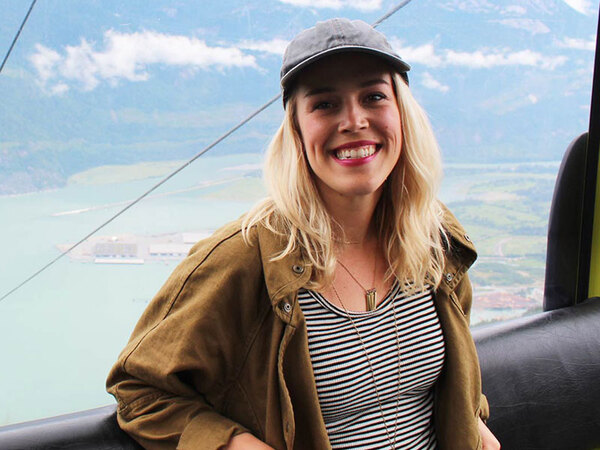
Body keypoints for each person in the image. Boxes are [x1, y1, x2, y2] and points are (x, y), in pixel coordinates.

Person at [107, 18, 500, 450]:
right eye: (325, 104)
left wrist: (471, 422)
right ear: (295, 130)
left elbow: (450, 376)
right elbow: (138, 391)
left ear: (403, 115)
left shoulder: (434, 237)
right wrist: (237, 445)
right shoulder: (246, 258)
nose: (354, 121)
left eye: (373, 97)